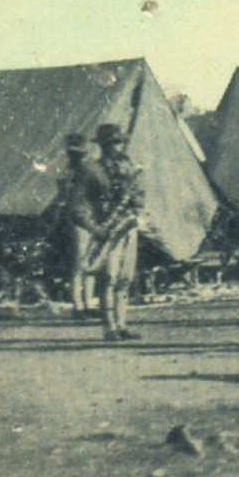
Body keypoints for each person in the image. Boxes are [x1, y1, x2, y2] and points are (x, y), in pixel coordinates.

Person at [87, 123, 145, 342]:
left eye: (119, 142)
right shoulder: (95, 169)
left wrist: (137, 203)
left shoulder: (128, 165)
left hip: (128, 224)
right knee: (109, 276)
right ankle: (108, 326)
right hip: (108, 227)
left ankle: (121, 323)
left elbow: (139, 191)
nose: (117, 147)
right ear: (103, 146)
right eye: (113, 143)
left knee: (125, 277)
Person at [51, 132, 100, 319]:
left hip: (86, 217)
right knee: (81, 263)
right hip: (80, 218)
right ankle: (79, 305)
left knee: (87, 262)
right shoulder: (74, 173)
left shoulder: (73, 172)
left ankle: (85, 303)